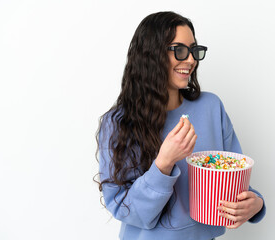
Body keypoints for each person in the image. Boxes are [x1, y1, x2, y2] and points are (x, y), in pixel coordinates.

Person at [96, 11, 266, 240]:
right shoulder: (118, 122)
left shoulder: (211, 107)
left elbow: (234, 179)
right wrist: (164, 163)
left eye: (194, 50)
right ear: (151, 55)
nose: (191, 60)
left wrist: (254, 203)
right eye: (180, 50)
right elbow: (125, 211)